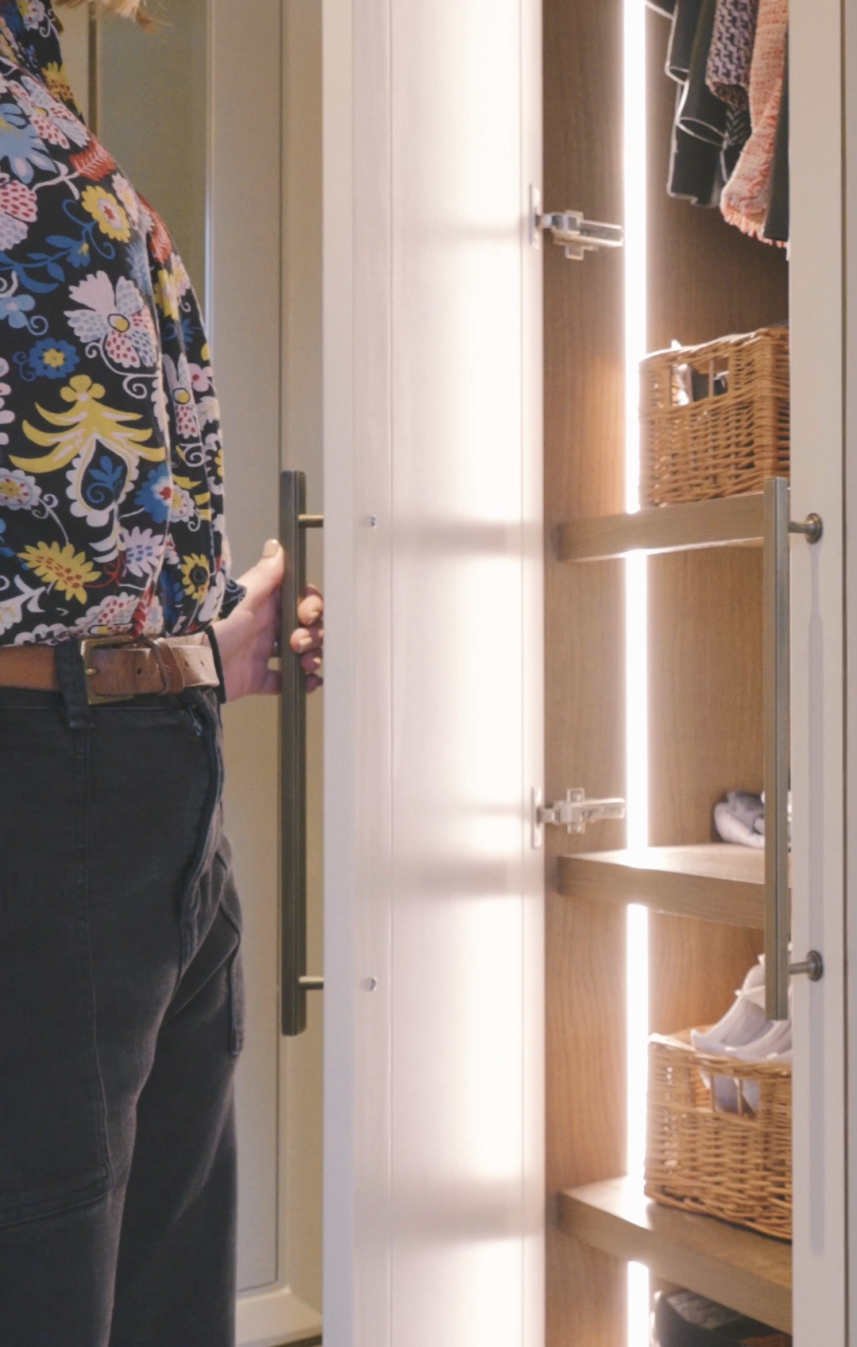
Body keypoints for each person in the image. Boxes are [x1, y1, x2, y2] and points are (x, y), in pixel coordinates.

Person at [0, 2, 324, 1343]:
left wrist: (187, 643)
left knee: (164, 1285)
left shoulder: (40, 91)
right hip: (44, 777)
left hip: (150, 763)